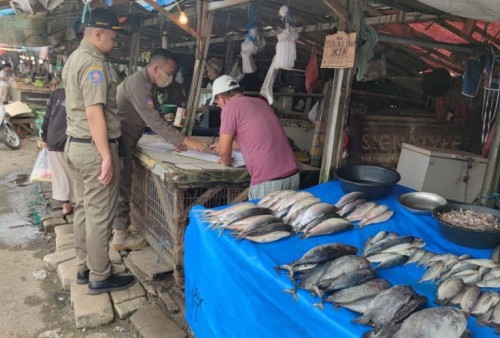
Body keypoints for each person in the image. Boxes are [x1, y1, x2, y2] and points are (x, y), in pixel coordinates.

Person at [62, 8, 135, 294]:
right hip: (93, 149)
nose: (115, 43)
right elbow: (95, 113)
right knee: (99, 215)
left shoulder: (74, 58)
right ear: (98, 33)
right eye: (114, 38)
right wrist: (107, 156)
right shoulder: (94, 63)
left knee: (83, 210)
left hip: (75, 145)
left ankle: (84, 266)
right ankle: (101, 275)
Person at [112, 48, 207, 250]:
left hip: (127, 140)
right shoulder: (138, 84)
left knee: (123, 184)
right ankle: (119, 236)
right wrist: (185, 140)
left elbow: (157, 114)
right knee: (122, 186)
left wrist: (177, 141)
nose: (172, 78)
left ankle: (121, 227)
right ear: (156, 68)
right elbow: (153, 120)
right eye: (170, 73)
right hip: (119, 141)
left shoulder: (148, 84)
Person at [210, 75, 300, 200]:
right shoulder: (261, 103)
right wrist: (222, 146)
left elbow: (225, 152)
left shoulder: (229, 108)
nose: (219, 106)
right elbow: (257, 139)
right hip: (293, 174)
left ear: (221, 98)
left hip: (269, 179)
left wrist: (227, 160)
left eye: (217, 102)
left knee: (262, 218)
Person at [40, 78, 74, 222]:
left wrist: (44, 135)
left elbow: (47, 116)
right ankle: (75, 202)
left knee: (61, 175)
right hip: (74, 139)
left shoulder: (57, 93)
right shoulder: (82, 92)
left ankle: (66, 205)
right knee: (73, 173)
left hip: (55, 137)